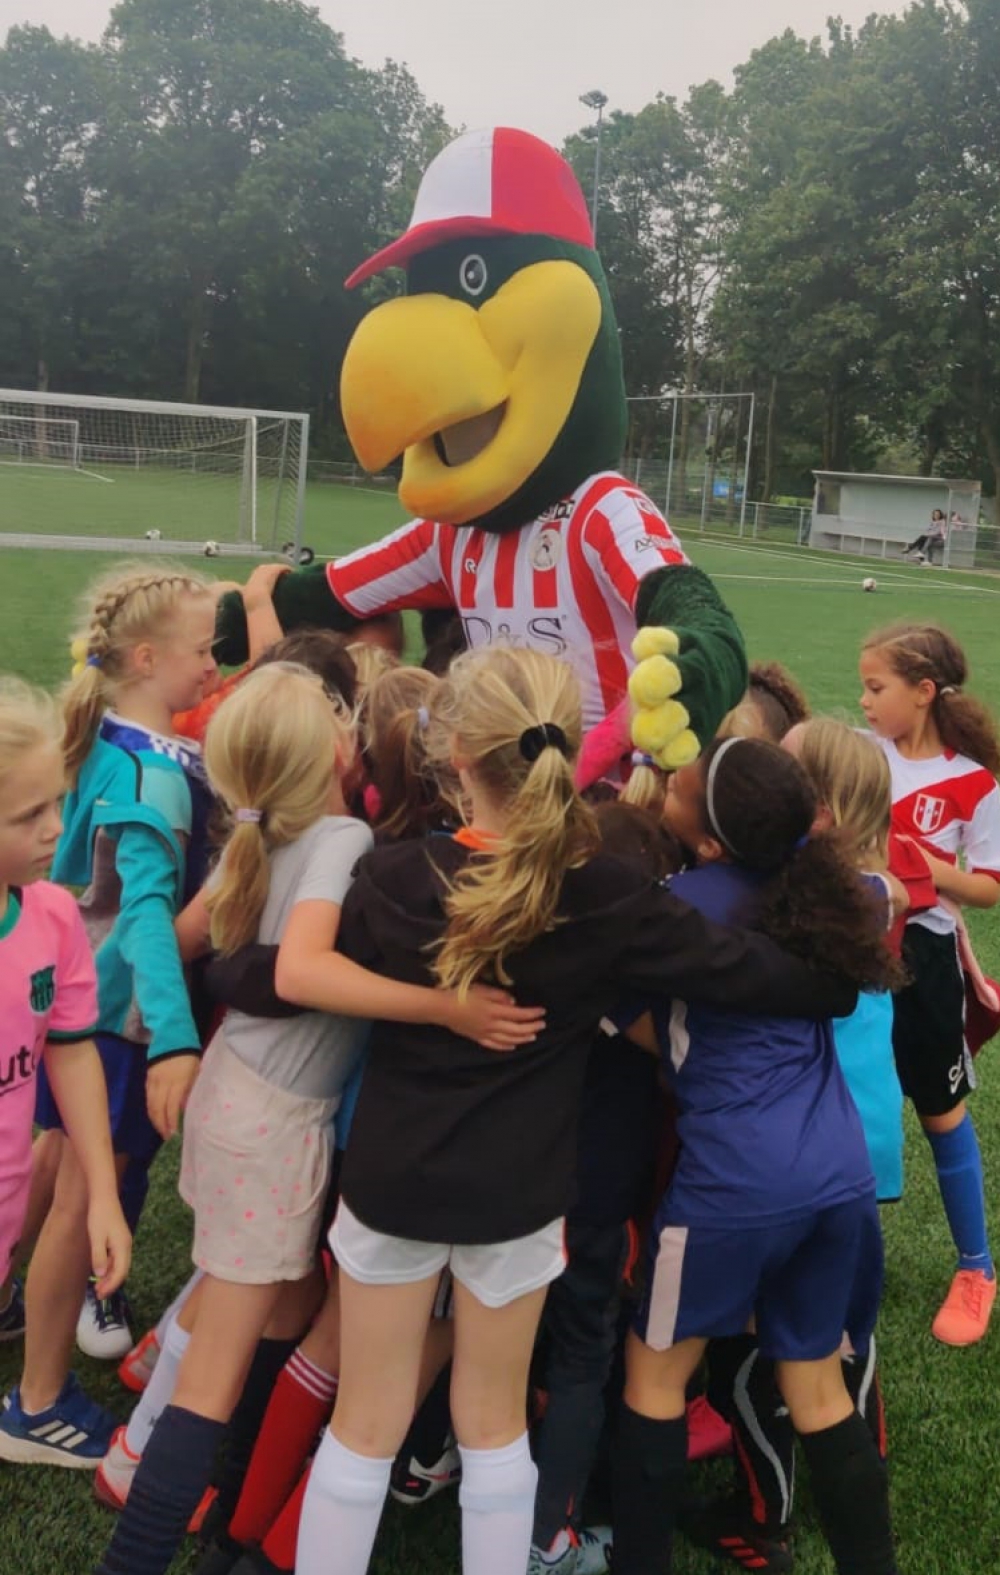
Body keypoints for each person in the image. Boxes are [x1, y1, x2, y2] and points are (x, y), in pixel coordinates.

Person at [281, 646, 856, 1575]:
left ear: (456, 751)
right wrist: (849, 948)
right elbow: (750, 974)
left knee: (366, 1424)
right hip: (519, 1193)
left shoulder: (393, 878)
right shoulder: (606, 894)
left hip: (396, 1181)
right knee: (495, 1427)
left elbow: (297, 974)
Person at [91, 662, 546, 1575]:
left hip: (234, 1097)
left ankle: (196, 1498)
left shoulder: (259, 833)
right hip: (273, 1125)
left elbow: (175, 940)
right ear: (332, 748)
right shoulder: (336, 836)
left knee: (248, 1313)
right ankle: (133, 1552)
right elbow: (297, 974)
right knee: (218, 1368)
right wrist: (446, 1007)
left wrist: (171, 1023)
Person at [611, 736, 900, 1575]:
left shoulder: (677, 903)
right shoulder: (829, 895)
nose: (668, 783)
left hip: (736, 1181)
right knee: (815, 1384)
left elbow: (626, 1015)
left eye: (681, 788)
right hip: (837, 1172)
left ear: (708, 842)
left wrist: (669, 1046)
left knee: (655, 1372)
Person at [0, 564, 218, 1465]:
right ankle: (39, 1401)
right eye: (204, 650)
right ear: (145, 656)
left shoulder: (108, 741)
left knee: (55, 1168)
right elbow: (142, 917)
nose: (215, 666)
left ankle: (20, 1306)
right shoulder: (153, 776)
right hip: (116, 1019)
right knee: (80, 1199)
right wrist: (172, 1034)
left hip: (70, 1007)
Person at [0, 677, 132, 1466]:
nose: (58, 829)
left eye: (60, 801)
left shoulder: (51, 915)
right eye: (29, 815)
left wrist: (104, 1199)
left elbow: (73, 1050)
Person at [860, 620, 1000, 1344]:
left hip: (927, 962)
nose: (863, 701)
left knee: (940, 1111)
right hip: (857, 956)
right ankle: (847, 1255)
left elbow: (986, 888)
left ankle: (976, 1266)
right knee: (849, 1102)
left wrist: (922, 868)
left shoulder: (973, 782)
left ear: (922, 693)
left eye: (876, 687)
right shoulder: (863, 759)